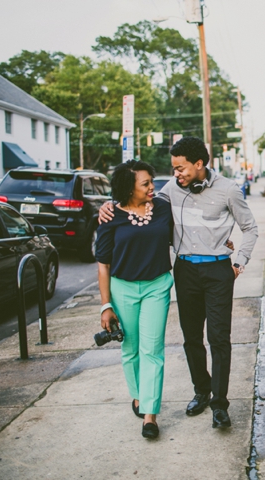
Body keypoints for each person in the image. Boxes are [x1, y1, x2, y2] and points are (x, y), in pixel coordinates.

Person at [100, 137, 258, 429]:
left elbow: (250, 228)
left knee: (219, 339)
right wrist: (107, 206)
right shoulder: (170, 191)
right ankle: (201, 390)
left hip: (219, 271)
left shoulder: (229, 190)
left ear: (199, 164)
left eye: (180, 168)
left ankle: (219, 405)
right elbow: (135, 202)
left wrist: (240, 261)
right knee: (191, 338)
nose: (175, 174)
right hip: (185, 271)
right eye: (173, 169)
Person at [96, 160, 174, 439]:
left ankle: (149, 415)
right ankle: (138, 395)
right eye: (146, 183)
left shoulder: (163, 208)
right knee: (130, 348)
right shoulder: (110, 216)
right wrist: (106, 305)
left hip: (157, 285)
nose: (152, 186)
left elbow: (184, 233)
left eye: (152, 181)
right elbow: (103, 264)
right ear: (129, 188)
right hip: (123, 288)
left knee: (152, 348)